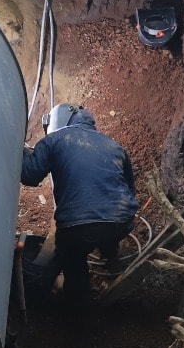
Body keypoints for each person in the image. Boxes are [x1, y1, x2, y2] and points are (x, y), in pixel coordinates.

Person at [21, 103, 138, 307]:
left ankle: (78, 306)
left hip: (78, 228)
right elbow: (130, 187)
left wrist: (21, 154)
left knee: (73, 256)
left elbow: (29, 176)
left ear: (55, 122)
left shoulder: (54, 140)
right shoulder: (113, 145)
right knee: (106, 229)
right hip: (123, 220)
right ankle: (111, 255)